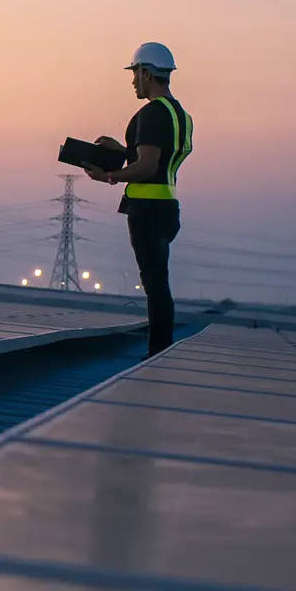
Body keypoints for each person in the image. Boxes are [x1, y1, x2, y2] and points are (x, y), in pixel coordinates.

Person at [84, 42, 193, 357]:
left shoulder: (149, 114)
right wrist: (123, 151)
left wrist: (109, 175)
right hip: (168, 207)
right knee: (159, 282)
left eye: (135, 74)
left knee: (155, 286)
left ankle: (158, 353)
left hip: (146, 210)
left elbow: (147, 166)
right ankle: (160, 349)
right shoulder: (180, 115)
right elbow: (158, 157)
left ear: (146, 73)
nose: (133, 81)